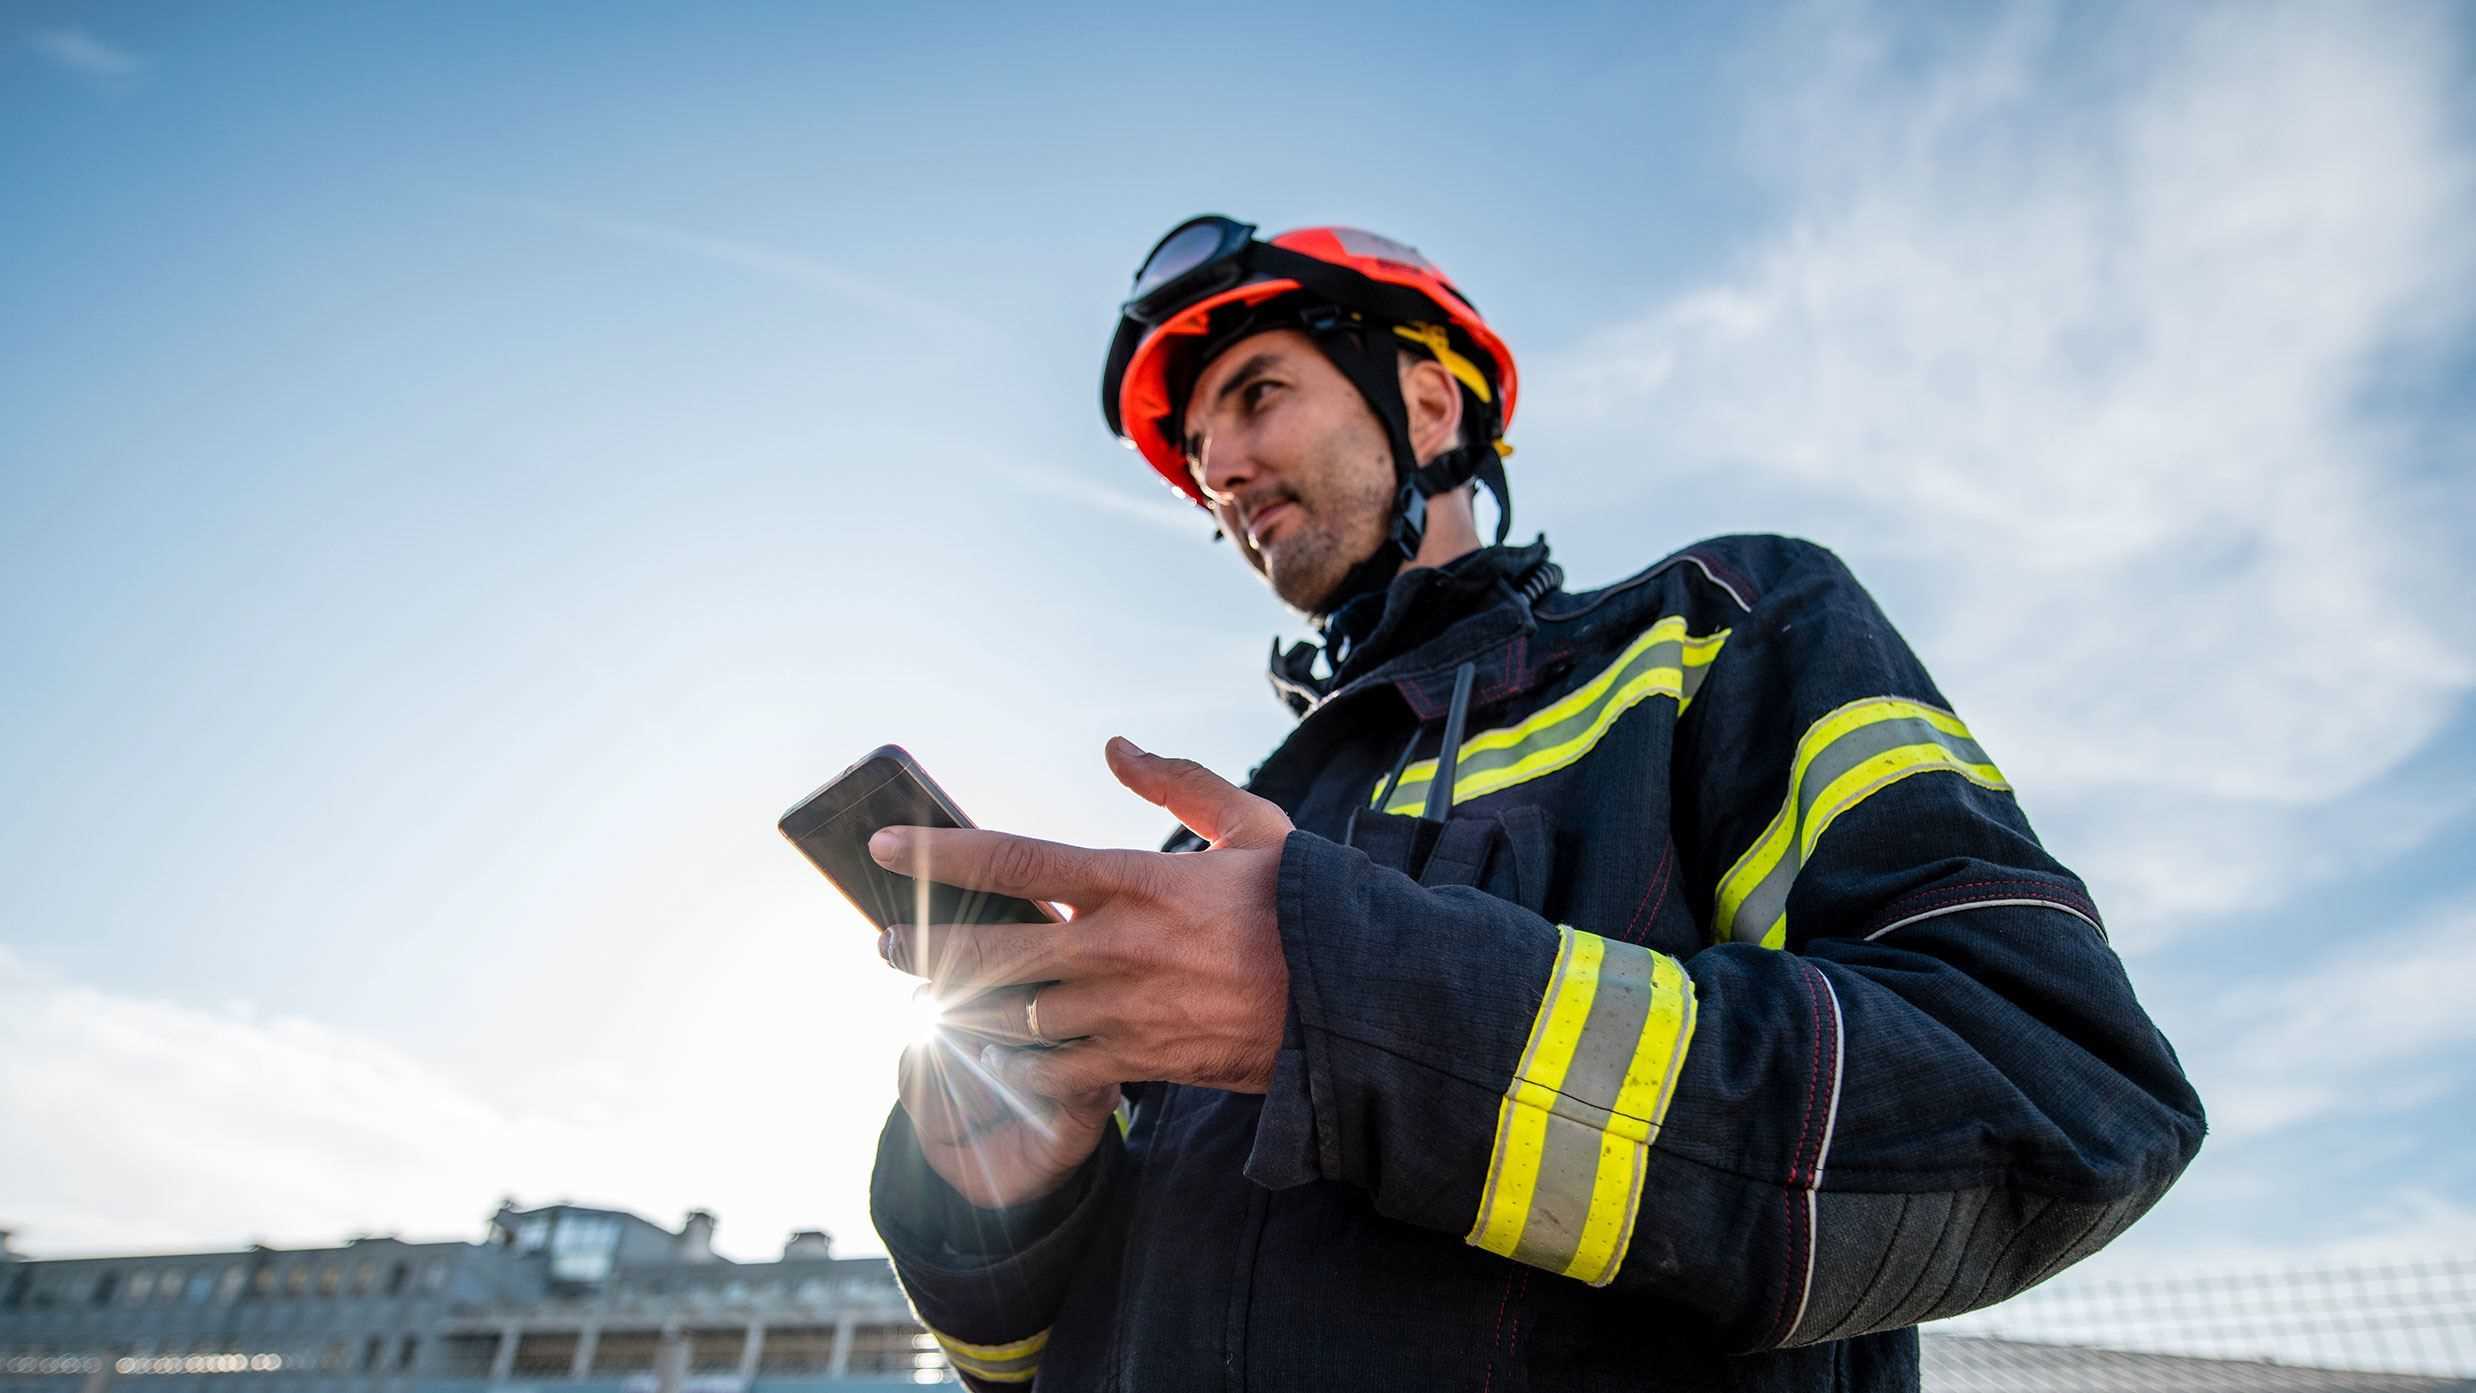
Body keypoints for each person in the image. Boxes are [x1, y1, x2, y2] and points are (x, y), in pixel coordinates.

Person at [862, 217, 2205, 1391]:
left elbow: (2053, 1087)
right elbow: (1039, 1357)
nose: (1223, 468)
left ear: (1430, 405)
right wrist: (995, 1200)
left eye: (1257, 393)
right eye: (1201, 450)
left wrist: (1350, 1002)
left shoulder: (1715, 637)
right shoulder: (1206, 851)